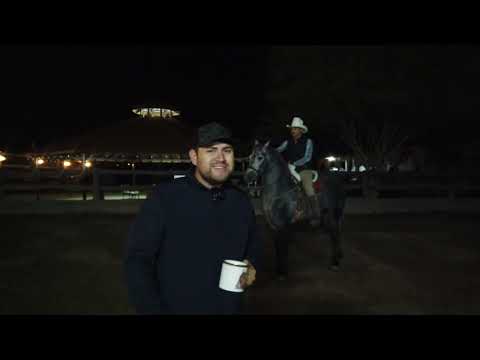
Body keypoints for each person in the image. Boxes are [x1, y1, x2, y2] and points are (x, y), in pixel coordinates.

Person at [124, 122, 261, 315]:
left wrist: (252, 265)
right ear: (194, 157)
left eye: (227, 150)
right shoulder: (165, 198)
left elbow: (253, 246)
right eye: (211, 150)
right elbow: (138, 261)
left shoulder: (241, 201)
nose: (220, 158)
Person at [276, 116, 320, 223]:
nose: (292, 131)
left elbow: (307, 157)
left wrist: (294, 164)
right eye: (292, 129)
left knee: (308, 188)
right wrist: (266, 150)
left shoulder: (308, 141)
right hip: (289, 168)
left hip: (304, 169)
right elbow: (278, 149)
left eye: (295, 128)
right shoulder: (288, 142)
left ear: (301, 130)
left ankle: (316, 213)